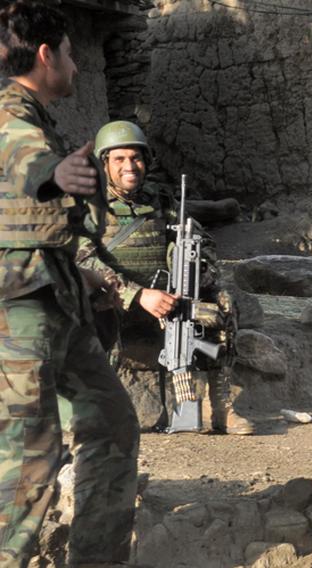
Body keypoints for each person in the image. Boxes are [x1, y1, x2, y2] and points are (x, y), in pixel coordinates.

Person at [0, 2, 139, 565]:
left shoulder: (35, 117)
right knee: (29, 465)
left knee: (111, 421)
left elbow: (18, 221)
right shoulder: (12, 119)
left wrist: (76, 272)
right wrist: (57, 176)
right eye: (71, 53)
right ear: (45, 54)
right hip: (20, 319)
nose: (78, 66)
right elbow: (30, 170)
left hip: (54, 302)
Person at [74, 120, 254, 435]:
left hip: (167, 301)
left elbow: (203, 241)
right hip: (116, 302)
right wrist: (138, 295)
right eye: (119, 159)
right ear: (104, 164)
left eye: (136, 158)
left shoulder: (162, 200)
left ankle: (221, 406)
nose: (130, 166)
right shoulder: (87, 206)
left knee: (222, 302)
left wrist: (197, 272)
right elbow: (84, 260)